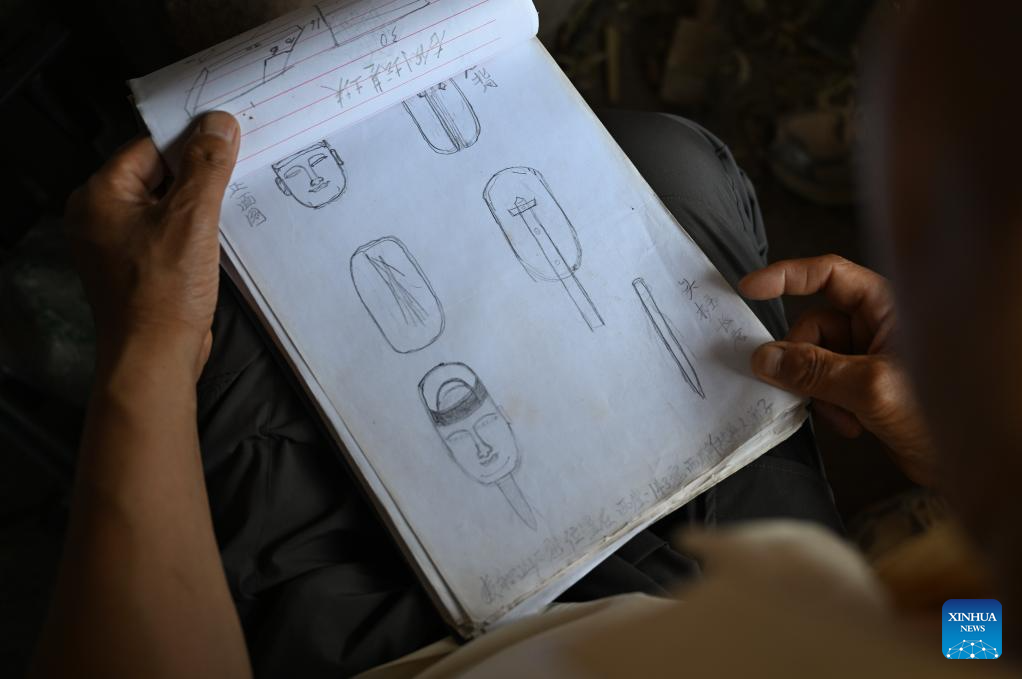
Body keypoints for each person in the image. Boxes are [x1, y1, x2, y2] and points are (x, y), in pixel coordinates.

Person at [28, 2, 1019, 676]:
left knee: (230, 299)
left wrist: (148, 353)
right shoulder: (957, 636)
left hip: (390, 647)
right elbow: (966, 644)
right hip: (764, 615)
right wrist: (968, 500)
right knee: (675, 167)